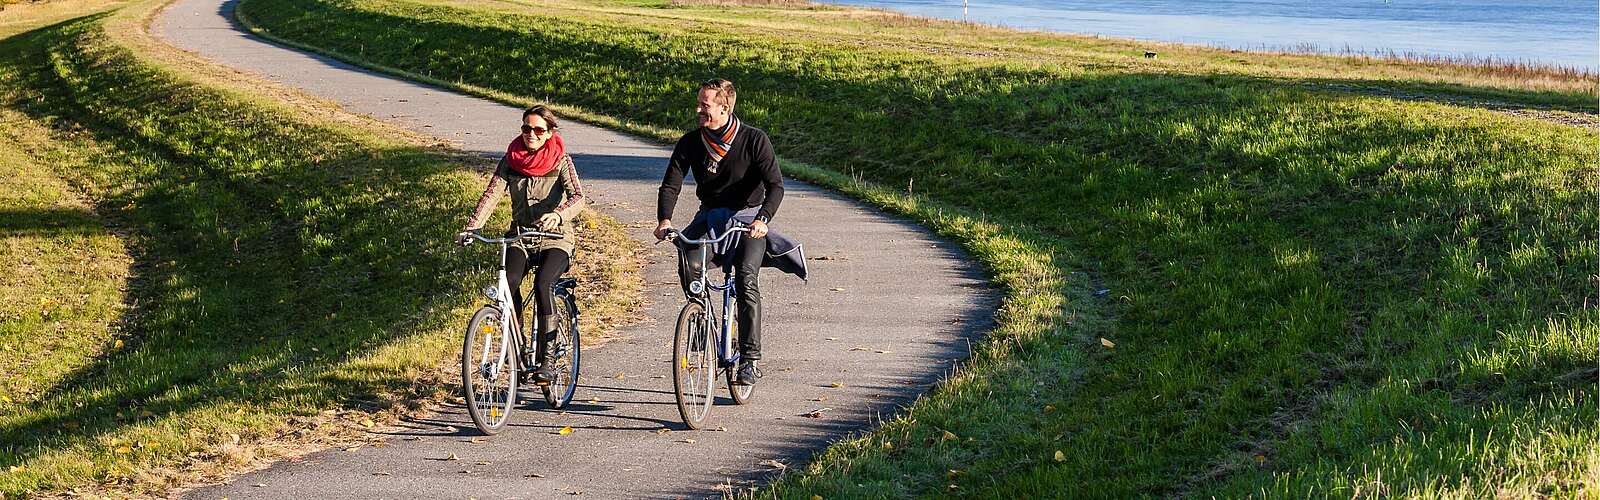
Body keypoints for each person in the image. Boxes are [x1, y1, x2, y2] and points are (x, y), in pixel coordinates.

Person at [655, 78, 785, 386]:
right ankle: (701, 321)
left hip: (748, 220)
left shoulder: (754, 139)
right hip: (710, 216)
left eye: (704, 104)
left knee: (745, 279)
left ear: (724, 107)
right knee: (688, 258)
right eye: (698, 103)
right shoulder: (690, 142)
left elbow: (775, 186)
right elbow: (671, 183)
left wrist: (763, 219)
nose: (698, 109)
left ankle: (751, 359)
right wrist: (664, 220)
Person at [456, 105, 586, 384]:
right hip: (520, 237)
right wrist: (472, 227)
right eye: (527, 128)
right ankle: (518, 341)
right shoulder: (511, 160)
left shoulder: (561, 159)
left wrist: (558, 214)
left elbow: (578, 197)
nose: (532, 134)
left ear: (550, 133)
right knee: (508, 283)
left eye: (539, 130)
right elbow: (491, 195)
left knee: (543, 285)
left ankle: (548, 359)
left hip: (556, 239)